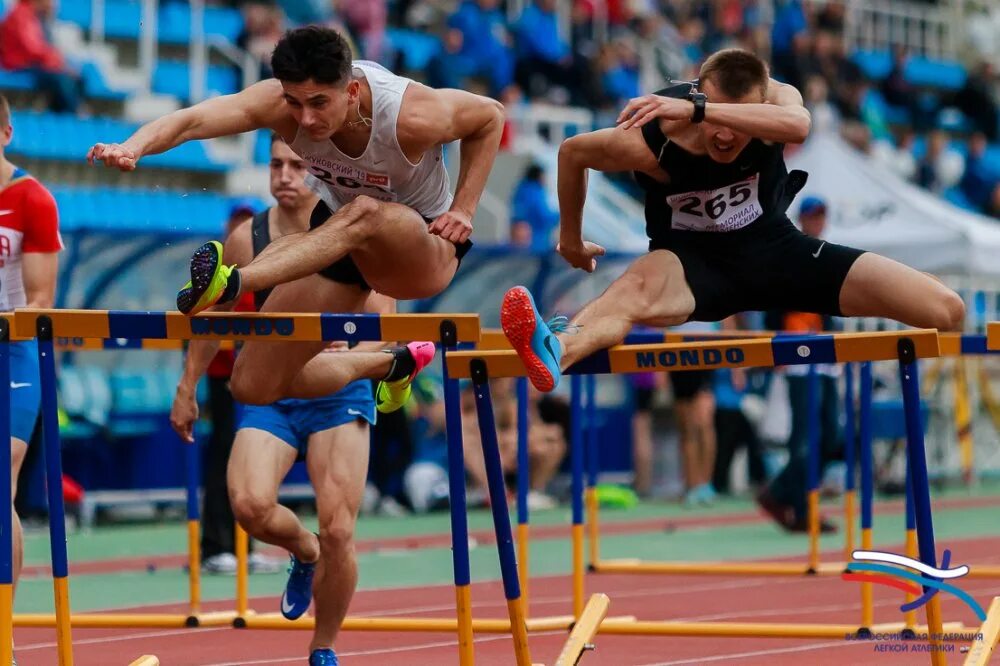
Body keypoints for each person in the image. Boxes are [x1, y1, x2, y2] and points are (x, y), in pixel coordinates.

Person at [497, 48, 964, 399]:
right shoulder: (655, 137)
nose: (724, 136)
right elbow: (572, 152)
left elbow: (799, 125)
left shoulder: (776, 100)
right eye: (713, 121)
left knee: (946, 311)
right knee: (627, 295)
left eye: (738, 124)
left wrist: (702, 111)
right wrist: (571, 239)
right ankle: (555, 347)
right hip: (689, 264)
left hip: (777, 253)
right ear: (697, 92)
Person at [87, 25, 504, 412]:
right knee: (252, 385)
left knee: (365, 210)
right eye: (295, 103)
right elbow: (195, 120)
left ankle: (234, 280)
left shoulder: (411, 114)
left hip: (423, 247)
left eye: (320, 103)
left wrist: (463, 208)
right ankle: (388, 366)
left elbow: (489, 117)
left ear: (353, 91)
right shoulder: (278, 103)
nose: (305, 119)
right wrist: (132, 146)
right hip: (345, 239)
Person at [171, 132, 393, 666]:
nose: (285, 176)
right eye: (275, 165)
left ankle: (323, 647)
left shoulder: (351, 225)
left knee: (339, 526)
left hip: (338, 391)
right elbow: (210, 319)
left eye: (296, 165)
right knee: (247, 505)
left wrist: (355, 343)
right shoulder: (251, 237)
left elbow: (385, 313)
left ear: (316, 170)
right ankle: (303, 550)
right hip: (273, 391)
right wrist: (188, 386)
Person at [0, 93, 63, 664]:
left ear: (7, 134)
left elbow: (41, 301)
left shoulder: (32, 199)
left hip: (13, 355)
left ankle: (3, 632)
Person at [758, 195, 842, 532]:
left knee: (831, 436)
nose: (817, 222)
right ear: (802, 219)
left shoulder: (828, 254)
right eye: (812, 216)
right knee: (804, 438)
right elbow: (771, 303)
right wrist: (776, 350)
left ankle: (781, 493)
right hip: (796, 359)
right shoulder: (788, 252)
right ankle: (802, 506)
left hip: (824, 357)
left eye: (822, 216)